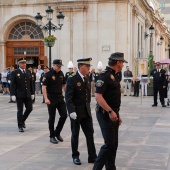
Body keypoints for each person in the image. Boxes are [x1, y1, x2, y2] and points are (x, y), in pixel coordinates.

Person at [92, 52, 127, 170]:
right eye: (122, 63)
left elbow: (113, 99)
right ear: (118, 62)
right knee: (109, 145)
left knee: (113, 145)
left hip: (113, 112)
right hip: (104, 113)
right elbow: (98, 96)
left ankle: (111, 168)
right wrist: (110, 111)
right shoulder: (104, 76)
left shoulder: (115, 75)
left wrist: (117, 114)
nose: (123, 65)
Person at [65, 58, 97, 165]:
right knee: (75, 134)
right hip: (76, 112)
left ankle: (92, 156)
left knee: (90, 134)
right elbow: (68, 97)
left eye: (89, 66)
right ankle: (75, 156)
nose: (89, 68)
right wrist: (71, 111)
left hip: (86, 112)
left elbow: (87, 96)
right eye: (87, 66)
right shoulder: (72, 79)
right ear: (81, 67)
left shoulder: (86, 78)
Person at [42, 59, 67, 144]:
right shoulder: (48, 74)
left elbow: (64, 84)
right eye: (58, 66)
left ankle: (57, 132)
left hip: (60, 97)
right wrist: (46, 98)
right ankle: (52, 136)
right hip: (51, 98)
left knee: (64, 115)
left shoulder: (61, 73)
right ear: (53, 65)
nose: (59, 67)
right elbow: (44, 87)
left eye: (60, 66)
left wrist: (67, 94)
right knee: (52, 117)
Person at [10, 58, 35, 132]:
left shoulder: (28, 72)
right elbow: (12, 84)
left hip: (27, 94)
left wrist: (32, 93)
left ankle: (22, 120)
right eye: (22, 63)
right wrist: (12, 94)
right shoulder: (15, 72)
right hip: (19, 94)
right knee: (20, 110)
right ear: (19, 64)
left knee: (30, 108)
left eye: (25, 63)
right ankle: (20, 126)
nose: (24, 64)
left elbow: (31, 84)